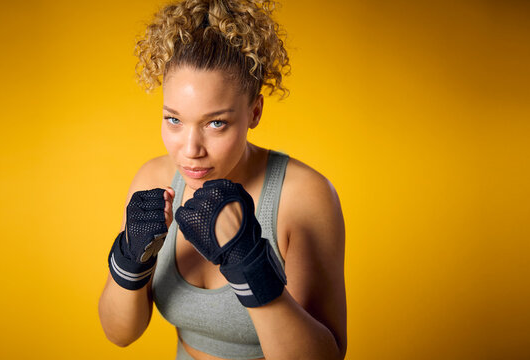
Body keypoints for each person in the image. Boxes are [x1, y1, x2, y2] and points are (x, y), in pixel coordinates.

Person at [98, 0, 347, 359]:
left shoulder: (303, 196)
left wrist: (250, 267)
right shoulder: (154, 181)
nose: (190, 149)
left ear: (254, 112)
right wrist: (130, 258)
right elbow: (120, 333)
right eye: (174, 120)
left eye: (216, 123)